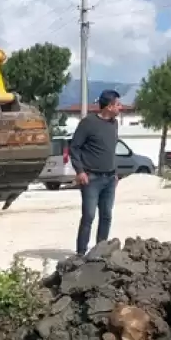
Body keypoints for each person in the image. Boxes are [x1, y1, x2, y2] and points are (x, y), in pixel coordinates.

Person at [69, 89, 122, 255]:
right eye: (118, 105)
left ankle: (101, 251)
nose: (121, 108)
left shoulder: (114, 124)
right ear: (108, 106)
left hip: (109, 178)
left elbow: (110, 150)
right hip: (91, 178)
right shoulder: (88, 123)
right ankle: (81, 253)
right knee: (89, 216)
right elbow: (74, 148)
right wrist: (80, 171)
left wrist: (115, 173)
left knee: (106, 216)